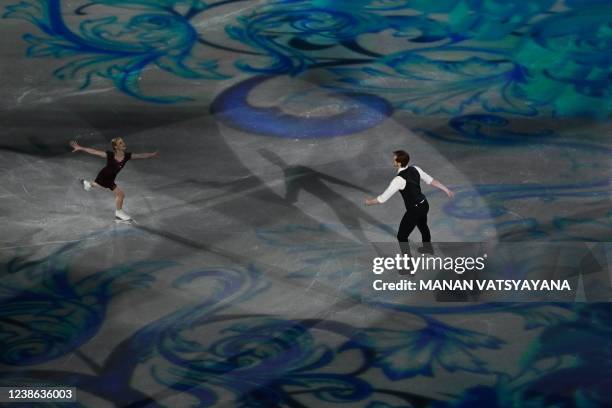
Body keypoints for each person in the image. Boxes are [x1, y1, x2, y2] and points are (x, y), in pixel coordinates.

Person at [365, 150, 454, 254]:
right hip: (424, 204)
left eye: (394, 159)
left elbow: (382, 199)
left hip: (414, 210)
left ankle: (408, 265)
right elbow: (432, 181)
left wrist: (369, 202)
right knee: (422, 225)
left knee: (402, 236)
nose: (392, 160)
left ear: (399, 163)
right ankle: (428, 248)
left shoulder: (398, 180)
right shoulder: (415, 169)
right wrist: (446, 189)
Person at [70, 138, 159, 221]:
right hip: (104, 176)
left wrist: (151, 154)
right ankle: (118, 213)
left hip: (109, 178)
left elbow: (140, 155)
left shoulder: (127, 156)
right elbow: (94, 151)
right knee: (120, 194)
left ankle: (87, 184)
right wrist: (80, 148)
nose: (123, 144)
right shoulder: (110, 155)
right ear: (116, 147)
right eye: (120, 143)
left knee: (98, 184)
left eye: (123, 142)